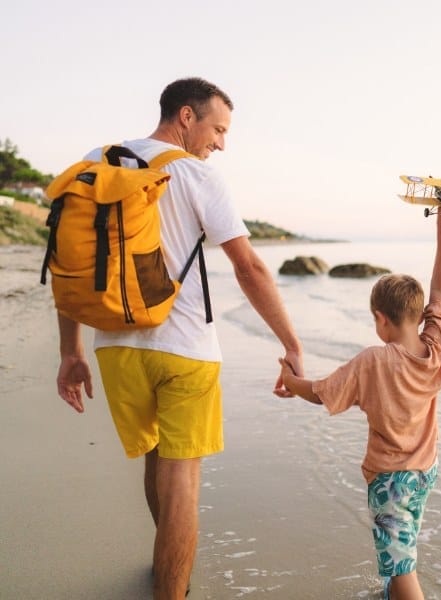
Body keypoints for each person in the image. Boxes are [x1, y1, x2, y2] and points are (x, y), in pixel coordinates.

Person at [55, 77, 303, 600]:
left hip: (116, 346)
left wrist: (69, 351)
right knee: (183, 482)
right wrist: (292, 343)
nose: (221, 143)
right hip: (185, 348)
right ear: (186, 117)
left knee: (156, 459)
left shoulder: (97, 160)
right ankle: (173, 589)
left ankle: (165, 566)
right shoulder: (195, 176)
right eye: (218, 128)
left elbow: (70, 263)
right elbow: (249, 267)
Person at [275, 208, 441, 600]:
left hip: (392, 477)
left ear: (380, 319)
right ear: (416, 313)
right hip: (426, 469)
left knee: (401, 564)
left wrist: (291, 380)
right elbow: (440, 292)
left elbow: (322, 391)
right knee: (402, 548)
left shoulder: (374, 361)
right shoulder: (436, 347)